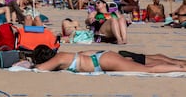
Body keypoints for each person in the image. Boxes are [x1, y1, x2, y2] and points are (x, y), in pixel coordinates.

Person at [32, 45, 186, 73]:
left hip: (102, 62)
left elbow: (40, 69)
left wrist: (26, 64)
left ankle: (183, 68)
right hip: (102, 56)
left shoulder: (58, 58)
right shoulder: (63, 55)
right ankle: (181, 65)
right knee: (148, 64)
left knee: (148, 70)